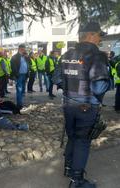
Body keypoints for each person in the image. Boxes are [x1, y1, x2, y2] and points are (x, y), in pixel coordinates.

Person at [53, 22, 110, 188]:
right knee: (82, 142)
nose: (100, 38)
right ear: (91, 35)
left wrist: (71, 89)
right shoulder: (97, 55)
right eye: (99, 35)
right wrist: (108, 83)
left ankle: (69, 168)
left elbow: (56, 79)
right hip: (86, 107)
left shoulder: (67, 54)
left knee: (72, 137)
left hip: (68, 104)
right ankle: (77, 181)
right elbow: (99, 87)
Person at [10, 44, 29, 109]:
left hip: (25, 75)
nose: (24, 50)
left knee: (23, 90)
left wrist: (27, 56)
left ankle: (21, 102)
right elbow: (13, 67)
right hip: (19, 75)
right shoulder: (15, 57)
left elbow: (30, 63)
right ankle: (19, 104)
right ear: (19, 49)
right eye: (22, 49)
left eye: (24, 49)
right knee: (19, 90)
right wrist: (16, 75)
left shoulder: (25, 56)